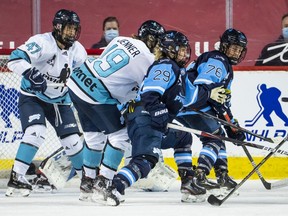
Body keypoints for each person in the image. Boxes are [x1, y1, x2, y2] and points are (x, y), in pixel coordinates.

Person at [66, 20, 165, 203]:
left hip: (78, 81)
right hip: (96, 92)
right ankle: (103, 182)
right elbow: (147, 91)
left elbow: (114, 73)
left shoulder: (120, 39)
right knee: (120, 136)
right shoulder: (147, 58)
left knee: (94, 137)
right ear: (153, 40)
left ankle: (87, 183)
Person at [109, 30, 210, 205]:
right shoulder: (165, 65)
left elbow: (190, 97)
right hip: (144, 118)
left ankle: (188, 182)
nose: (185, 53)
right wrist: (158, 111)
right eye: (180, 49)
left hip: (152, 121)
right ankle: (115, 187)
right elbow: (150, 92)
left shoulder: (179, 72)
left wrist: (210, 93)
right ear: (170, 49)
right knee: (146, 161)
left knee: (183, 138)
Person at [6, 9, 87, 197]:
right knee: (36, 132)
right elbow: (15, 58)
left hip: (61, 101)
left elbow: (83, 78)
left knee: (73, 142)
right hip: (33, 96)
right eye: (68, 28)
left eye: (75, 29)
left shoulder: (79, 51)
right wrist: (31, 73)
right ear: (58, 27)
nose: (72, 33)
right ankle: (17, 177)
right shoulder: (42, 43)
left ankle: (87, 181)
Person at [176, 28, 248, 195]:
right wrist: (231, 125)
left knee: (219, 135)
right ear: (224, 46)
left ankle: (222, 175)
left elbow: (220, 99)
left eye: (239, 50)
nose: (236, 53)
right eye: (233, 48)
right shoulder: (218, 61)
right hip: (194, 107)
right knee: (214, 139)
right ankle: (200, 176)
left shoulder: (221, 61)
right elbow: (204, 89)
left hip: (187, 108)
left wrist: (231, 125)